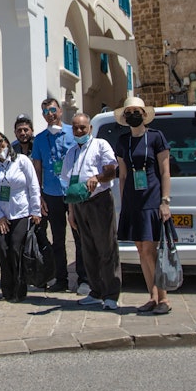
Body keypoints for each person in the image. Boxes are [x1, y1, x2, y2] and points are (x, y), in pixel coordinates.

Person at [114, 97, 172, 315]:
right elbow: (123, 175)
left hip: (152, 196)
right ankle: (152, 296)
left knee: (150, 249)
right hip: (132, 199)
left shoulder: (156, 137)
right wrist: (124, 204)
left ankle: (164, 298)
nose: (132, 115)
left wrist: (165, 201)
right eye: (128, 112)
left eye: (136, 111)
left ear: (144, 114)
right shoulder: (122, 141)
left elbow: (165, 171)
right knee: (140, 249)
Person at [61, 113, 121, 310]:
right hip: (79, 204)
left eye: (82, 128)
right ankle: (95, 291)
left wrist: (99, 178)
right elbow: (68, 182)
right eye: (76, 128)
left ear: (90, 129)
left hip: (99, 201)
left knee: (106, 248)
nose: (79, 131)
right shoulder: (71, 153)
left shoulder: (101, 145)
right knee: (88, 249)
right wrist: (71, 211)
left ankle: (111, 293)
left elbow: (112, 170)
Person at [31, 98, 86, 293]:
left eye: (53, 109)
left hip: (73, 192)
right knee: (58, 238)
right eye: (45, 111)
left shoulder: (74, 132)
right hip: (52, 193)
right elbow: (37, 169)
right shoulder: (39, 139)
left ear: (60, 111)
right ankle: (61, 278)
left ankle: (83, 279)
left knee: (79, 236)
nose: (50, 114)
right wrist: (39, 196)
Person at [0, 130, 41, 303]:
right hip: (3, 215)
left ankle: (19, 289)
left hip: (22, 212)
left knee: (17, 250)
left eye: (0, 141)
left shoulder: (22, 161)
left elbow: (33, 185)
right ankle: (6, 290)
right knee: (3, 250)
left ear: (7, 142)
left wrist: (36, 210)